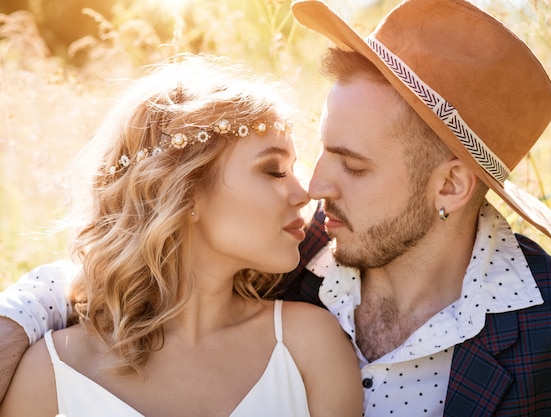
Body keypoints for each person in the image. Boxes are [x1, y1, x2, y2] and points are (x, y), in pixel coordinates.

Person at [0, 0, 551, 416]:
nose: (314, 184)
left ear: (451, 187)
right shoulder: (280, 248)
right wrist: (17, 319)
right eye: (319, 153)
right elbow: (127, 266)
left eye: (353, 166)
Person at [0, 53, 363, 417]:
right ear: (184, 193)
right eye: (273, 171)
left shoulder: (311, 346)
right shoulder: (49, 374)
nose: (305, 194)